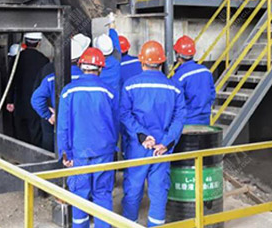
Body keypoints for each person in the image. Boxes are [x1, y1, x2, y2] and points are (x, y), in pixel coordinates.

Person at [121, 41, 187, 226]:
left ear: (141, 61)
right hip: (161, 149)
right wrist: (166, 142)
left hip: (138, 147)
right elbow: (179, 118)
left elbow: (124, 114)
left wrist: (142, 135)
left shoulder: (130, 85)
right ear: (162, 62)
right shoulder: (174, 87)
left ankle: (129, 224)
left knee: (133, 190)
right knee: (158, 193)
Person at [57, 47, 119, 228]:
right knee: (102, 194)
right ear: (100, 68)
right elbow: (116, 123)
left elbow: (63, 127)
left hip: (78, 152)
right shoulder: (110, 92)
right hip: (104, 151)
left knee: (79, 195)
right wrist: (112, 146)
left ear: (81, 66)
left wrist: (65, 153)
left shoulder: (68, 92)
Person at [31, 33, 90, 151]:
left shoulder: (51, 78)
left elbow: (36, 99)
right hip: (83, 123)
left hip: (59, 122)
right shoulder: (88, 79)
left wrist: (48, 115)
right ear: (80, 59)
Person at [6, 32, 49, 147]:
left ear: (25, 41)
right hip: (36, 103)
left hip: (19, 102)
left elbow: (11, 81)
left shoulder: (16, 59)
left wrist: (9, 100)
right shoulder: (44, 60)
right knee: (35, 134)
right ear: (39, 43)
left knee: (21, 133)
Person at [171, 36, 215, 125]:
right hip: (205, 119)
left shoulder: (179, 77)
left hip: (187, 121)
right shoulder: (206, 71)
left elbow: (175, 103)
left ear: (178, 55)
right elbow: (212, 94)